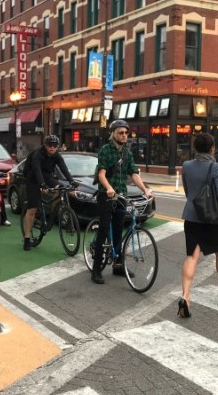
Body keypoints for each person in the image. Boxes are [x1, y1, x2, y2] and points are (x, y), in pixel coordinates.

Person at [90, 119, 154, 284]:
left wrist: (145, 189)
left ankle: (118, 265)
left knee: (118, 230)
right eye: (121, 132)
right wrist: (109, 188)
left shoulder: (127, 153)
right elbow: (101, 174)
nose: (124, 135)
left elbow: (134, 173)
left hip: (121, 196)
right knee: (104, 230)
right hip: (106, 195)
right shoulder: (106, 150)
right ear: (113, 134)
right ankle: (96, 269)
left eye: (126, 132)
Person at [178, 133, 218, 318]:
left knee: (192, 256)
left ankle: (185, 296)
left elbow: (187, 191)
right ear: (212, 148)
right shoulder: (216, 167)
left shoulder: (186, 166)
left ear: (195, 149)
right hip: (213, 217)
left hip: (192, 216)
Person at [22, 135, 76, 251]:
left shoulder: (56, 155)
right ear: (45, 145)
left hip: (47, 176)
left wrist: (71, 181)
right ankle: (27, 238)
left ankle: (52, 212)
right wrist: (42, 184)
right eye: (50, 145)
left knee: (61, 189)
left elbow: (63, 168)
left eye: (55, 146)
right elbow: (36, 170)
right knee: (32, 209)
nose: (52, 148)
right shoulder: (38, 154)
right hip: (33, 178)